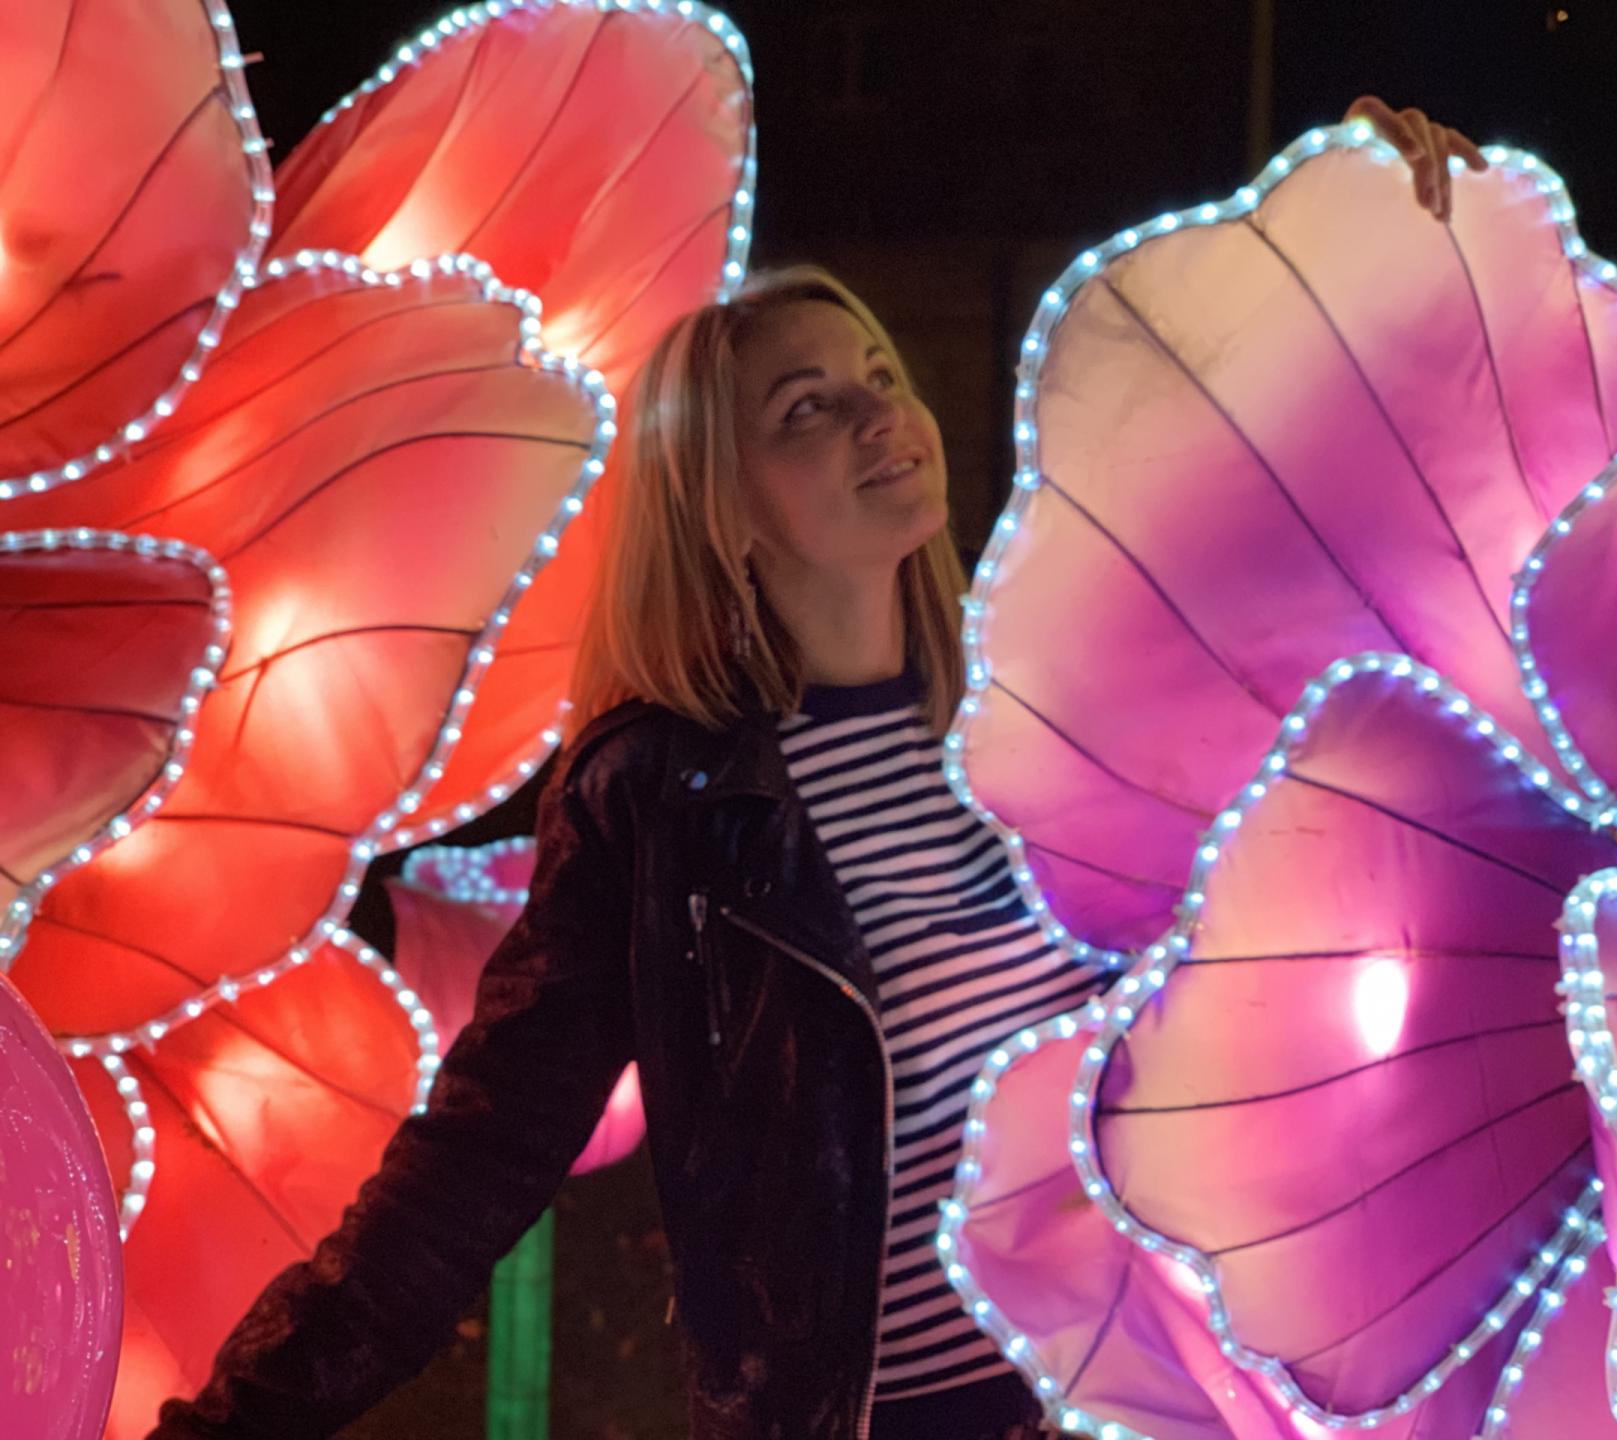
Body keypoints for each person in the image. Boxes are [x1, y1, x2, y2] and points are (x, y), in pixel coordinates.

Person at [149, 103, 1482, 1440]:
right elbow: (476, 1160)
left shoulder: (1058, 710)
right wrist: (232, 1425)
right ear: (721, 508)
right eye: (809, 408)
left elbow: (1301, 534)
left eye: (880, 375)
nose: (877, 415)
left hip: (1161, 1404)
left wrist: (1368, 232)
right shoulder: (667, 803)